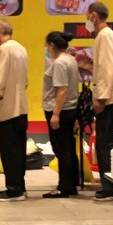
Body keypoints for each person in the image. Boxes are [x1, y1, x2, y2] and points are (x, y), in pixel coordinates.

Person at [88, 1, 113, 201]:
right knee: (109, 141)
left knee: (104, 142)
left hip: (108, 97)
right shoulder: (112, 35)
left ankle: (109, 186)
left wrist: (100, 98)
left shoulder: (103, 36)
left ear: (94, 15)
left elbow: (104, 69)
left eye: (88, 15)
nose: (87, 19)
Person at [0, 19, 29, 202]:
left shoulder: (4, 49)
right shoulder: (21, 48)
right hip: (21, 106)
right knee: (19, 149)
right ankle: (20, 185)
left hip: (9, 107)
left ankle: (13, 189)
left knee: (9, 150)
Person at [42, 31, 80, 198]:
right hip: (70, 109)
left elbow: (62, 89)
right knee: (68, 148)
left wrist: (55, 114)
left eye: (47, 45)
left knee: (61, 149)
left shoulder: (59, 63)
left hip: (60, 110)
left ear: (52, 45)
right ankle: (71, 183)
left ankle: (63, 187)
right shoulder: (71, 59)